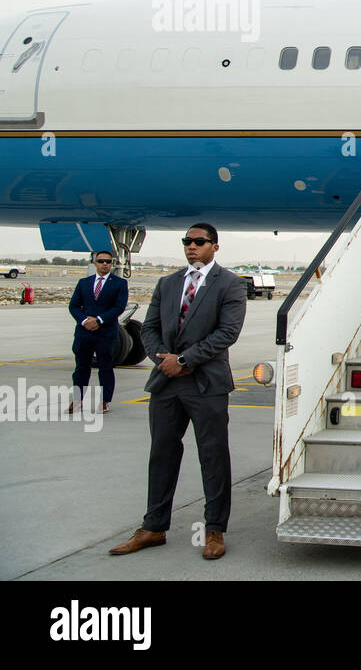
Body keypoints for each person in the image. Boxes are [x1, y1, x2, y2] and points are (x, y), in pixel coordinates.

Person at [109, 223, 247, 561]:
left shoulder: (230, 284)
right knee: (161, 454)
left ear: (215, 246)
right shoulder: (168, 283)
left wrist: (184, 360)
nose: (191, 247)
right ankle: (154, 526)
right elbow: (151, 328)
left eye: (199, 242)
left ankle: (214, 529)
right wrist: (163, 360)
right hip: (166, 382)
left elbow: (227, 332)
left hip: (206, 383)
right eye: (187, 241)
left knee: (213, 456)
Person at [67, 251, 128, 414]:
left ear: (112, 264)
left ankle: (104, 401)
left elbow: (119, 307)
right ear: (95, 263)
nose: (105, 264)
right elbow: (73, 306)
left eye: (108, 261)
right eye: (101, 261)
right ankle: (78, 400)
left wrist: (99, 320)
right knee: (81, 367)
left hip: (105, 332)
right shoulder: (83, 283)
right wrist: (84, 321)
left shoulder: (120, 283)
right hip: (84, 332)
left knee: (105, 367)